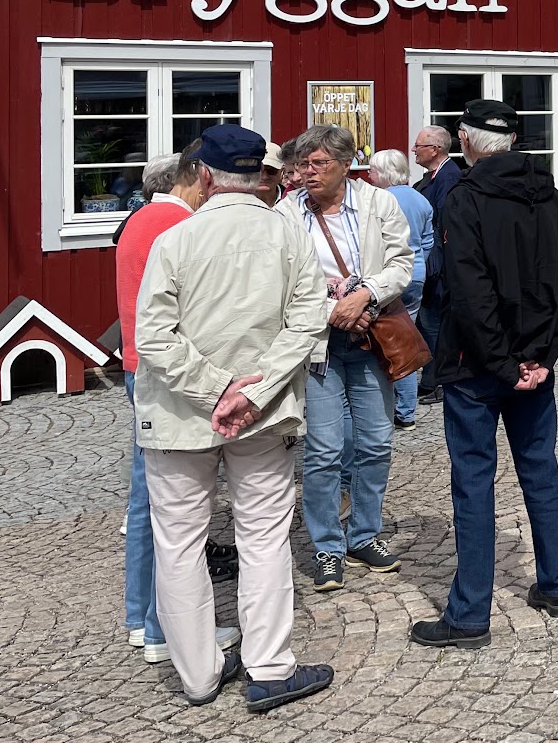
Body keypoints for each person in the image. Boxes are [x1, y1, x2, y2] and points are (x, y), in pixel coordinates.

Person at [135, 124, 334, 712]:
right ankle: (269, 668)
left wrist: (216, 389)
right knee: (264, 535)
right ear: (262, 175)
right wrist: (251, 391)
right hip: (262, 414)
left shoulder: (175, 240)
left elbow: (152, 337)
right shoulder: (290, 236)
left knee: (179, 542)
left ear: (203, 176)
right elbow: (308, 321)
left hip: (180, 413)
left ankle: (198, 674)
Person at [410, 101, 558, 647]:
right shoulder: (551, 197)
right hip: (528, 364)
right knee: (540, 470)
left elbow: (469, 293)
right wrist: (541, 356)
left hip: (478, 367)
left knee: (473, 482)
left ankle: (469, 614)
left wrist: (512, 363)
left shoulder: (465, 198)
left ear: (465, 140)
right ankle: (556, 584)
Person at [116, 143, 239, 666]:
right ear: (196, 178)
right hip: (165, 371)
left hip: (137, 364)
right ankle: (161, 628)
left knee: (147, 500)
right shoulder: (177, 225)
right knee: (172, 507)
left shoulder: (139, 219)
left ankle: (140, 617)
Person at [284, 124, 415, 593]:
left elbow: (402, 263)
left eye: (319, 163)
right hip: (319, 342)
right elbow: (281, 283)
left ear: (345, 165)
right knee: (323, 450)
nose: (308, 172)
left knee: (376, 443)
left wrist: (365, 296)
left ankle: (364, 535)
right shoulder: (287, 212)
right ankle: (326, 546)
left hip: (371, 338)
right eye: (303, 164)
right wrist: (334, 311)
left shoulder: (379, 204)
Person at [367, 148, 435, 430]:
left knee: (389, 342)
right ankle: (406, 410)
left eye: (372, 170)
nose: (368, 175)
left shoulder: (381, 199)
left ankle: (392, 408)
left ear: (384, 173)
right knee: (405, 336)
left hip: (389, 275)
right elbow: (428, 240)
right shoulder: (420, 198)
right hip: (416, 274)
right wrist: (418, 265)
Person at [412, 125, 463, 407]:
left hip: (439, 266)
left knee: (434, 326)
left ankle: (438, 381)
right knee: (427, 324)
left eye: (418, 146)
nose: (414, 150)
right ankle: (432, 378)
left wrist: (435, 267)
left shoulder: (449, 177)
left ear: (434, 150)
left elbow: (444, 225)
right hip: (432, 263)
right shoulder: (433, 176)